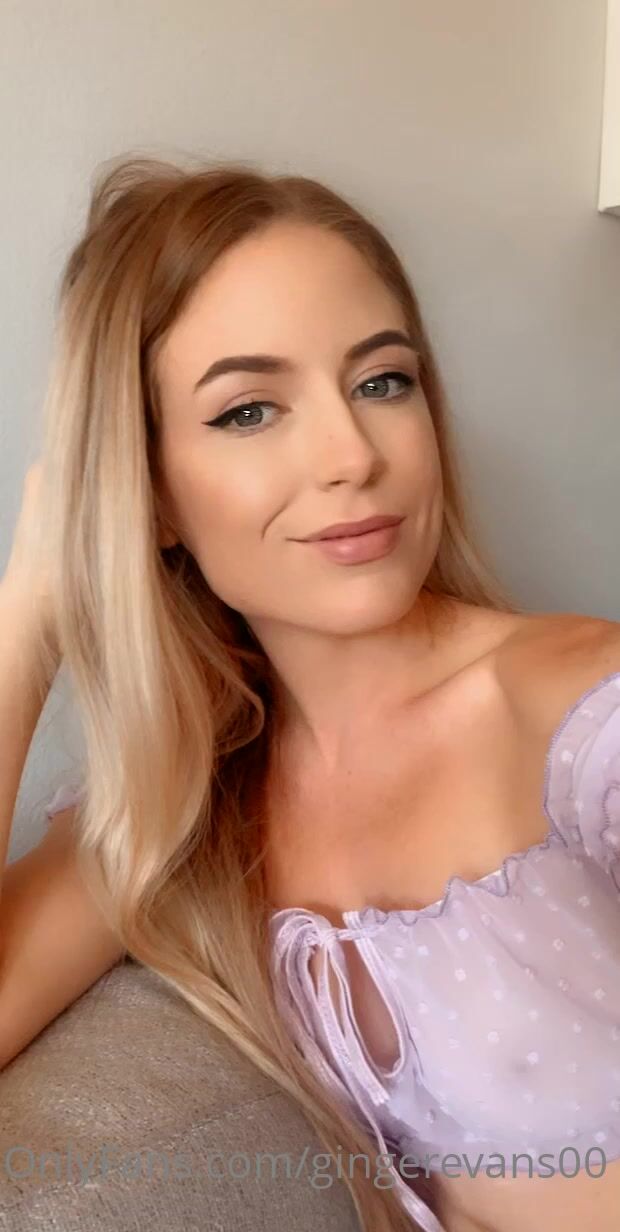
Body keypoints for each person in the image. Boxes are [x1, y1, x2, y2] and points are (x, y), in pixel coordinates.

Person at [0, 153, 618, 1232]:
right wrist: (33, 608)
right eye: (249, 410)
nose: (352, 454)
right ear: (148, 492)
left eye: (382, 381)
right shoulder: (177, 815)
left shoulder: (579, 712)